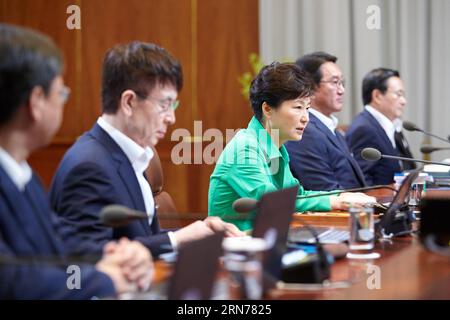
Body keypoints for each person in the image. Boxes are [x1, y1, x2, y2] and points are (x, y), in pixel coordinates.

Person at [49, 41, 244, 258]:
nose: (172, 118)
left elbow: (137, 240)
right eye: (164, 105)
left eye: (174, 105)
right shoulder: (89, 166)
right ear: (129, 102)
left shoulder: (128, 153)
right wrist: (178, 239)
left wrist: (198, 233)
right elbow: (89, 258)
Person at [0, 23, 153, 299]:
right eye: (61, 93)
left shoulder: (23, 174)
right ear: (36, 102)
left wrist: (114, 254)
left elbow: (57, 238)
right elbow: (15, 282)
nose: (63, 102)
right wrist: (104, 280)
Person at [208, 62, 375, 231]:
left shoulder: (276, 146)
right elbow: (274, 203)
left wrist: (342, 195)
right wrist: (336, 200)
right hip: (235, 252)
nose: (305, 118)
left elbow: (298, 195)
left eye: (307, 108)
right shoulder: (244, 149)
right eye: (298, 107)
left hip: (268, 243)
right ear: (267, 109)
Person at [284, 52, 366, 191]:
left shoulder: (331, 128)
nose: (342, 90)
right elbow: (324, 190)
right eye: (335, 82)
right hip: (339, 210)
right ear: (310, 88)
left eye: (342, 83)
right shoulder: (305, 131)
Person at [346, 68, 416, 185]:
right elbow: (363, 183)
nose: (404, 101)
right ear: (377, 96)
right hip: (382, 201)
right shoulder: (364, 129)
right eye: (398, 94)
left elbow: (407, 168)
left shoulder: (393, 125)